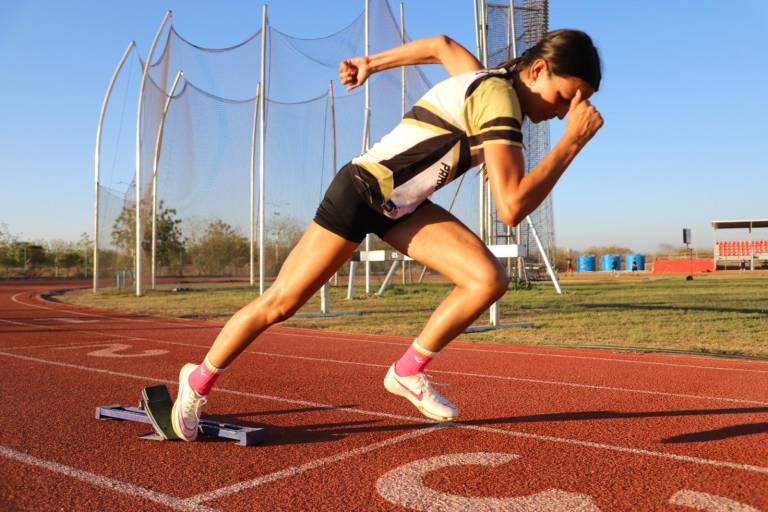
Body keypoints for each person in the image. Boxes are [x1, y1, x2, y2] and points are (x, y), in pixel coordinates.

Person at [171, 30, 603, 441]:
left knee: (487, 279)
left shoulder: (489, 82)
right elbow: (511, 208)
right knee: (280, 303)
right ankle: (197, 380)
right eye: (566, 97)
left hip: (403, 208)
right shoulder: (499, 99)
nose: (566, 112)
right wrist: (571, 143)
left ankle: (408, 371)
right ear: (538, 70)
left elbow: (442, 46)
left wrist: (370, 64)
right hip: (361, 193)